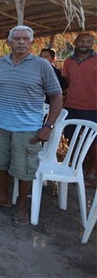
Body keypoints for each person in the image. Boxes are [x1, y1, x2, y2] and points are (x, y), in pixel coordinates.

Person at [0, 25, 62, 226]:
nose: (20, 42)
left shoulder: (42, 65)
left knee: (24, 170)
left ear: (32, 42)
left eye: (25, 39)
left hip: (27, 129)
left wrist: (48, 126)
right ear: (8, 42)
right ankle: (3, 198)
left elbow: (56, 95)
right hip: (1, 125)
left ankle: (20, 207)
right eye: (16, 38)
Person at [62, 32, 96, 188]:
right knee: (72, 137)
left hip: (93, 107)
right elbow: (66, 82)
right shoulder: (68, 61)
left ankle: (92, 170)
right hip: (71, 105)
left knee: (93, 141)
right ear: (75, 42)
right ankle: (76, 166)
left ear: (92, 44)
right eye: (81, 41)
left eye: (88, 41)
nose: (84, 44)